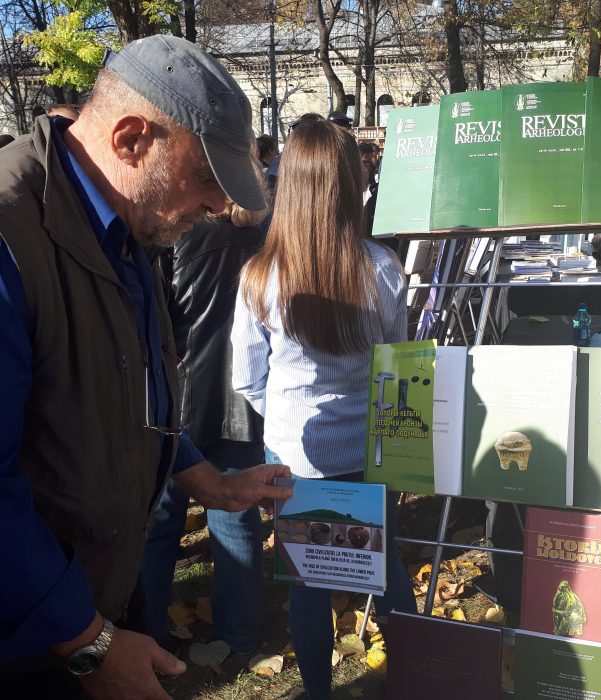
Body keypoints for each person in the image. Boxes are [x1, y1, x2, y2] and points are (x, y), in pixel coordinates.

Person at [0, 34, 291, 700]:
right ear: (132, 140)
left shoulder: (125, 224)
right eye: (207, 180)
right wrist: (88, 644)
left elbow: (132, 393)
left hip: (93, 596)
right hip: (29, 640)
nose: (217, 207)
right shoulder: (11, 232)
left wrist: (212, 483)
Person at [231, 119, 417, 700]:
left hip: (296, 454)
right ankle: (419, 678)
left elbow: (246, 379)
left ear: (287, 184)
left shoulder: (260, 277)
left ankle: (317, 691)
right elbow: (399, 364)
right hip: (371, 449)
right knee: (386, 569)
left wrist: (284, 420)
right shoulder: (382, 268)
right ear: (350, 185)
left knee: (307, 584)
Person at [142, 202, 268, 655]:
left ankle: (148, 635)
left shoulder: (176, 232)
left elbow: (152, 319)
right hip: (244, 400)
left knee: (161, 523)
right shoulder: (266, 234)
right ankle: (239, 635)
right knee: (237, 519)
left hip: (179, 400)